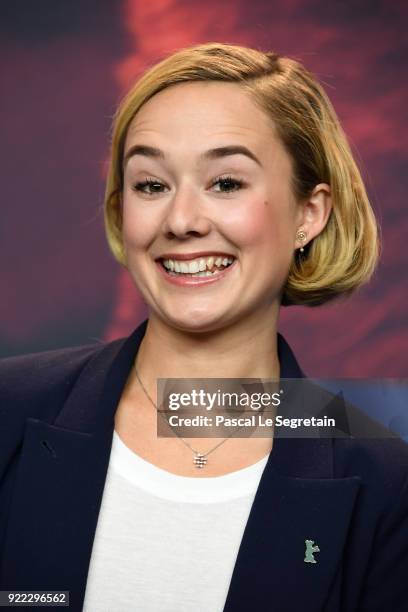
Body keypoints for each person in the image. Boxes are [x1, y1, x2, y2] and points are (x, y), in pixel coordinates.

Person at [0, 42, 407, 612]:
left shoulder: (387, 485)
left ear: (309, 215)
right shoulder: (8, 410)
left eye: (226, 183)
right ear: (123, 209)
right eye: (151, 184)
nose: (182, 221)